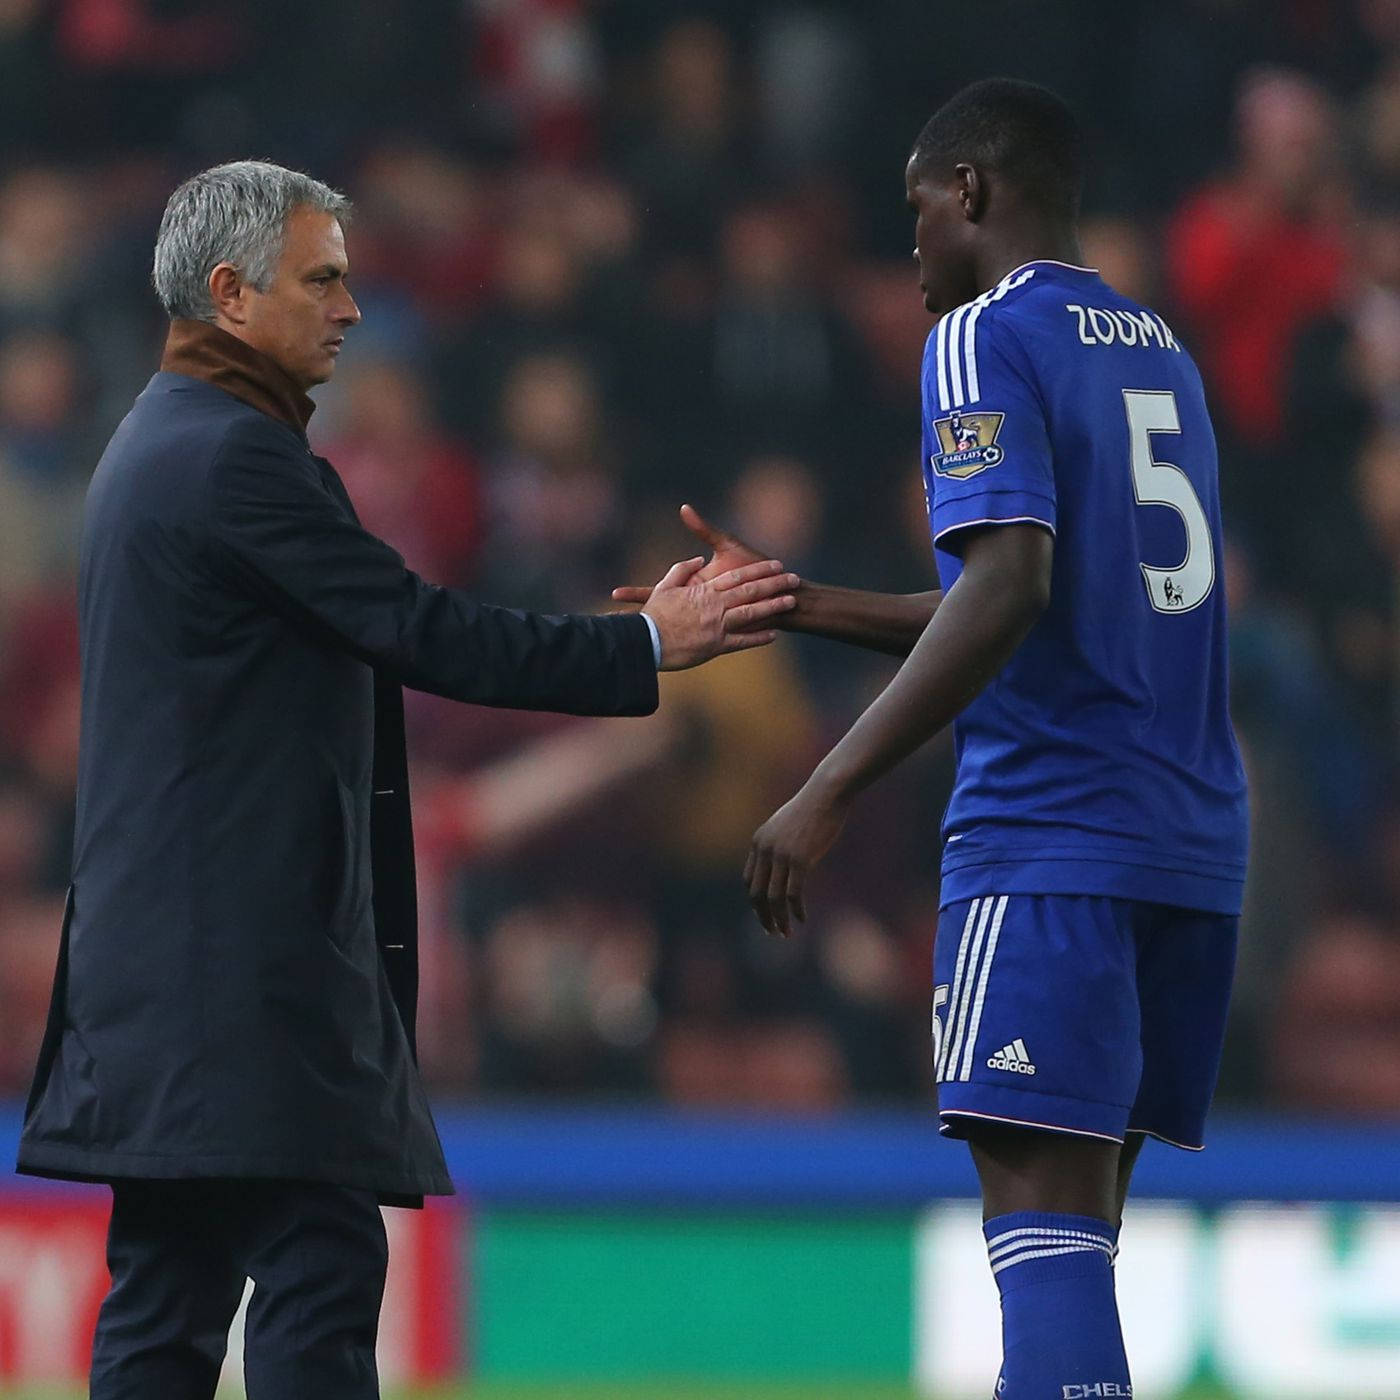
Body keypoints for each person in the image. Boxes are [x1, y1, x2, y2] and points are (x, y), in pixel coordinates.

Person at [14, 159, 797, 1400]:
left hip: (162, 967)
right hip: (241, 978)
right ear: (230, 291)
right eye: (322, 278)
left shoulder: (155, 445)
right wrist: (652, 643)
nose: (352, 308)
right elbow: (424, 631)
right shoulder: (232, 460)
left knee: (167, 1301)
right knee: (316, 1273)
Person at [622, 79, 1249, 1395]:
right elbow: (1036, 595)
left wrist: (828, 785)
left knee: (1043, 1235)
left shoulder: (979, 336)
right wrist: (795, 602)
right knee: (1078, 1237)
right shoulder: (1158, 350)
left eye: (914, 209)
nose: (908, 244)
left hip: (1050, 834)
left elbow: (1007, 584)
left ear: (967, 191)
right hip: (1184, 842)